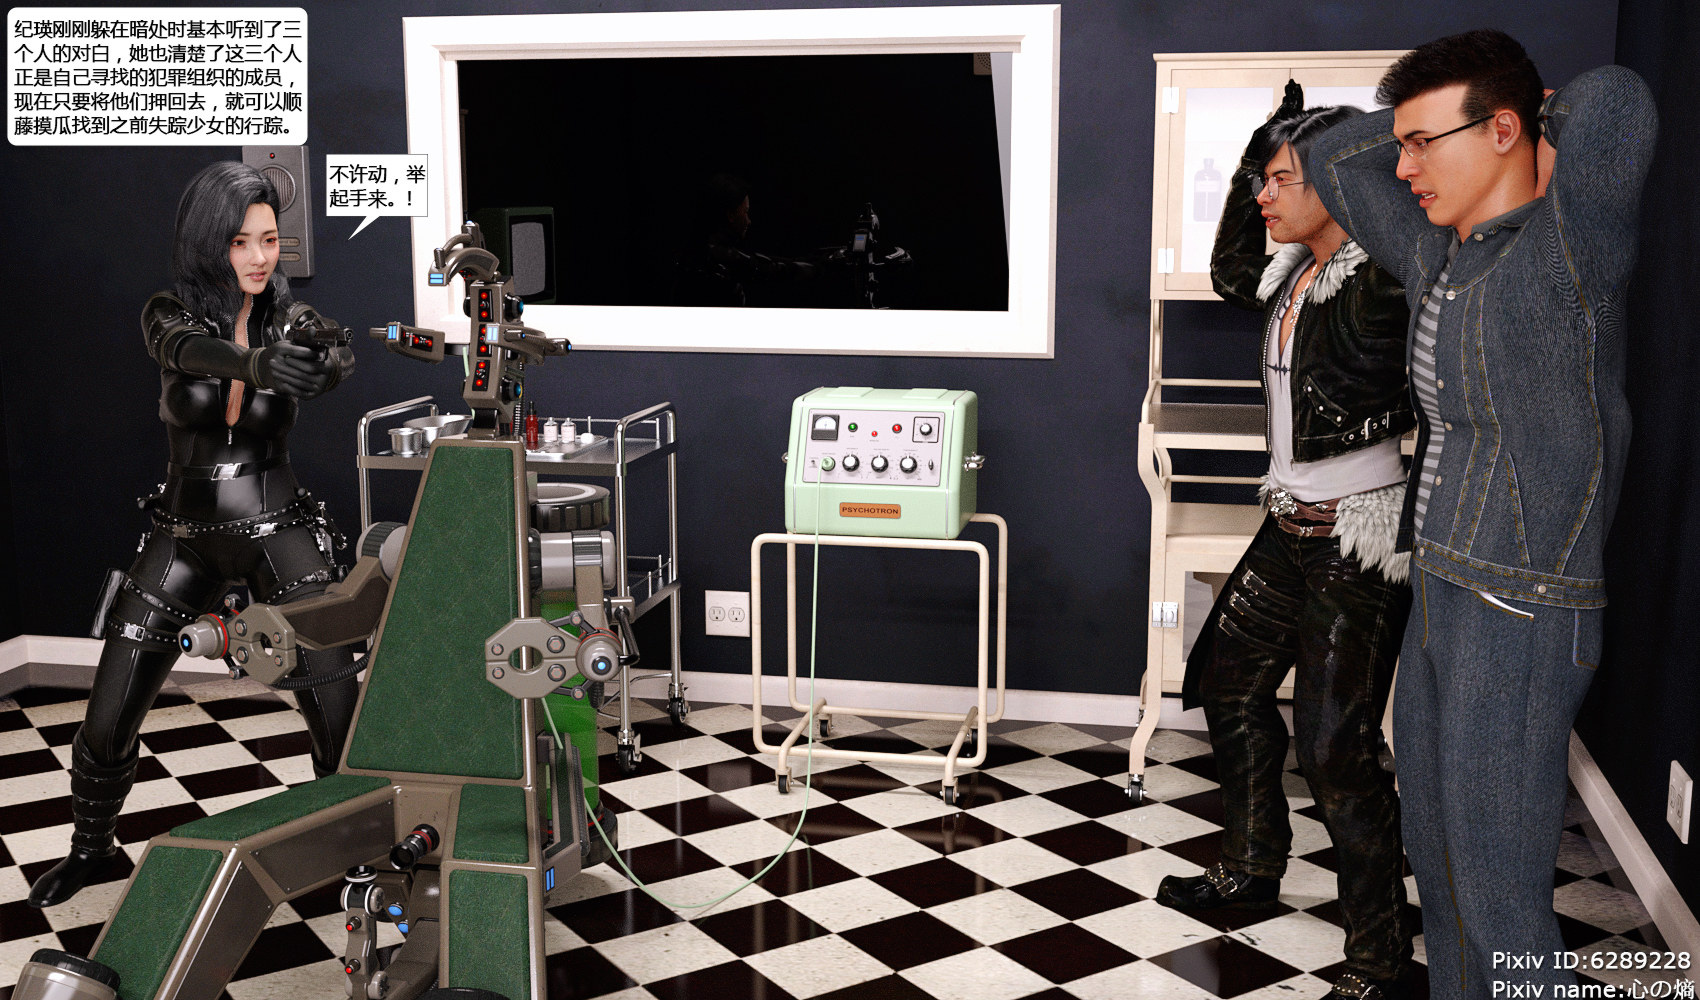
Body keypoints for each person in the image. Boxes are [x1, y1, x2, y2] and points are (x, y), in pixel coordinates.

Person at [1309, 30, 1657, 1000]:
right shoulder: (1440, 251)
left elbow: (1616, 102)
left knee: (1502, 900)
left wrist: (1533, 108)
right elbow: (1335, 156)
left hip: (1523, 605)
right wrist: (1434, 120)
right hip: (1441, 587)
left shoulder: (1571, 248)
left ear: (1506, 129)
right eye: (1404, 144)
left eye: (1424, 143)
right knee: (1440, 864)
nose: (1403, 166)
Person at [28, 161, 361, 908]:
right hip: (182, 532)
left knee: (336, 700)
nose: (258, 257)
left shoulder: (288, 315)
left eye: (269, 240)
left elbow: (333, 352)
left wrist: (328, 363)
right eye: (241, 241)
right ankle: (91, 850)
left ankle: (354, 849)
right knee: (109, 711)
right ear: (209, 242)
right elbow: (179, 350)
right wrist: (254, 362)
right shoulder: (168, 311)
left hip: (277, 523)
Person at [1156, 85, 1416, 1000]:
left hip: (1359, 542)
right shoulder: (1289, 275)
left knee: (1337, 749)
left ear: (1338, 184)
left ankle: (1380, 960)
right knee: (1227, 689)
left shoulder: (1384, 278)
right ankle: (1251, 869)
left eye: (1279, 180)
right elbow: (1232, 265)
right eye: (1260, 180)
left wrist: (1357, 151)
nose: (1264, 196)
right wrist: (1254, 155)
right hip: (1288, 526)